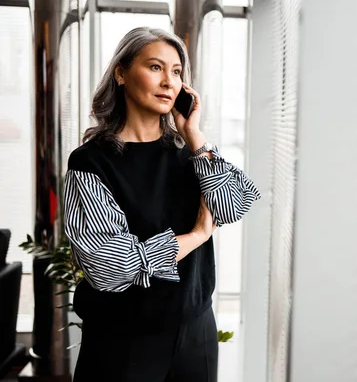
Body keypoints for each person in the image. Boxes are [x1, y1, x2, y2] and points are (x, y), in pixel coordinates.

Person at [63, 27, 260, 382]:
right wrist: (197, 236)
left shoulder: (191, 153)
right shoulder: (91, 162)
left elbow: (233, 206)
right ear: (121, 73)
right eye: (155, 67)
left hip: (196, 329)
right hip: (123, 340)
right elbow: (109, 267)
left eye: (176, 71)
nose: (169, 81)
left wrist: (194, 135)